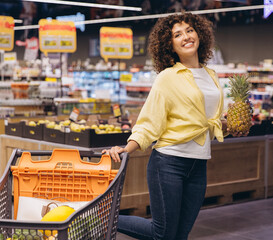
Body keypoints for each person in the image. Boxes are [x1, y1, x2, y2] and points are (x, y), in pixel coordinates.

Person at [103, 12, 242, 240]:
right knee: (164, 234)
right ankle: (106, 215)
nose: (186, 37)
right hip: (168, 163)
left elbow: (206, 121)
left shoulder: (212, 76)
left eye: (189, 30)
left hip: (198, 165)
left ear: (199, 34)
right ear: (170, 45)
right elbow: (149, 121)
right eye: (177, 34)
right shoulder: (167, 77)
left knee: (180, 235)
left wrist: (231, 126)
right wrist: (126, 149)